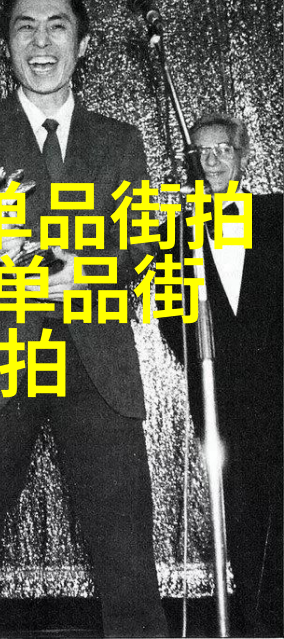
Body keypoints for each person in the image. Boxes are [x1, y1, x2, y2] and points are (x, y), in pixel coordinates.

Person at [0, 0, 167, 638]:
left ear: (82, 44)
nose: (41, 41)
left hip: (97, 364)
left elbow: (138, 242)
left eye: (57, 26)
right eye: (25, 27)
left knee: (127, 558)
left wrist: (86, 271)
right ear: (7, 45)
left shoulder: (120, 142)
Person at [158, 114, 283, 636]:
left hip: (277, 384)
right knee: (239, 504)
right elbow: (170, 315)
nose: (211, 161)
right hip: (220, 390)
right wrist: (209, 361)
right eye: (200, 153)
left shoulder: (275, 215)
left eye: (222, 150)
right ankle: (255, 620)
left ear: (242, 155)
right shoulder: (177, 230)